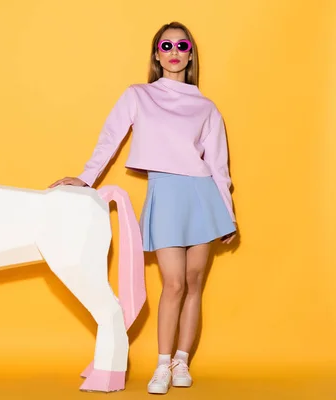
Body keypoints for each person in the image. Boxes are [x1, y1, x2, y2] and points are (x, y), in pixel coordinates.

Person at [49, 21, 237, 395]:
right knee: (174, 282)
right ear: (156, 54)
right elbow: (110, 139)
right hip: (165, 193)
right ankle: (162, 364)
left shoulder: (206, 106)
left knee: (195, 283)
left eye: (181, 45)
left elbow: (218, 166)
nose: (173, 52)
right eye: (165, 45)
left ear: (190, 54)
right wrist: (86, 178)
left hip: (203, 196)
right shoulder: (138, 95)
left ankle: (183, 360)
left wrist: (228, 212)